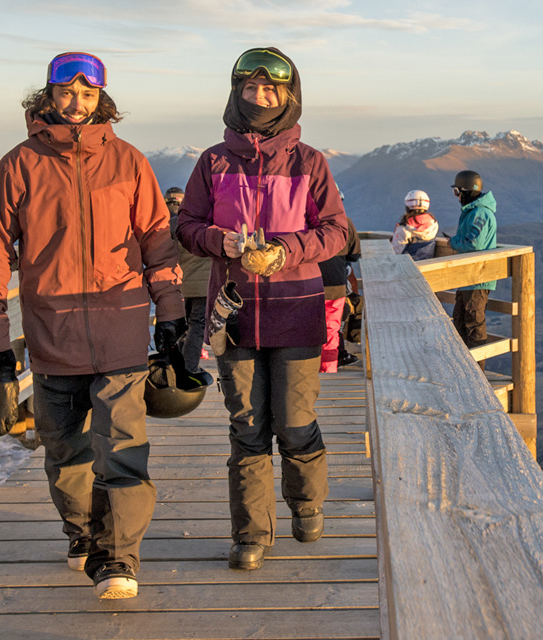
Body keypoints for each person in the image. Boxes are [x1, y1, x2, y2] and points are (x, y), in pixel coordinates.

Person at [0, 52, 185, 600]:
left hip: (122, 329)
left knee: (123, 446)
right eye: (68, 92)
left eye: (88, 94)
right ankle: (82, 532)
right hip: (52, 335)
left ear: (101, 99)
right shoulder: (19, 164)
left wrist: (171, 311)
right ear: (49, 96)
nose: (77, 102)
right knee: (65, 456)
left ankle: (119, 558)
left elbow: (159, 242)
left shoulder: (130, 162)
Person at [176, 47, 347, 571]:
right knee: (247, 424)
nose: (260, 96)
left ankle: (305, 501)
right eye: (251, 88)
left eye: (271, 89)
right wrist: (221, 242)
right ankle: (250, 534)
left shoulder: (310, 161)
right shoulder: (213, 161)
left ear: (289, 96)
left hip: (297, 310)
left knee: (295, 421)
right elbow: (185, 226)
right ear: (236, 94)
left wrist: (287, 251)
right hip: (235, 316)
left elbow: (339, 232)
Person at [448, 170, 497, 349]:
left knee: (474, 326)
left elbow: (473, 243)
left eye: (457, 191)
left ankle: (477, 373)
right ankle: (463, 371)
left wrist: (452, 242)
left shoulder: (480, 213)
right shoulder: (472, 212)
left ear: (466, 190)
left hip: (477, 279)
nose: (457, 196)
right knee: (460, 323)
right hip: (468, 278)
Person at [166, 186, 212, 373]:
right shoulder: (201, 222)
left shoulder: (168, 225)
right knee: (197, 325)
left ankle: (174, 366)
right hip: (202, 286)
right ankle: (189, 367)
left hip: (177, 285)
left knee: (179, 326)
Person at [319, 216, 360, 372]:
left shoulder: (299, 216)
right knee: (330, 329)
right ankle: (327, 370)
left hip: (302, 284)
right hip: (333, 282)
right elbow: (354, 254)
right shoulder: (344, 221)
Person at [391, 189, 439, 260]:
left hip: (407, 267)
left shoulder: (404, 228)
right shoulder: (434, 224)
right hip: (426, 265)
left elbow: (395, 252)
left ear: (407, 206)